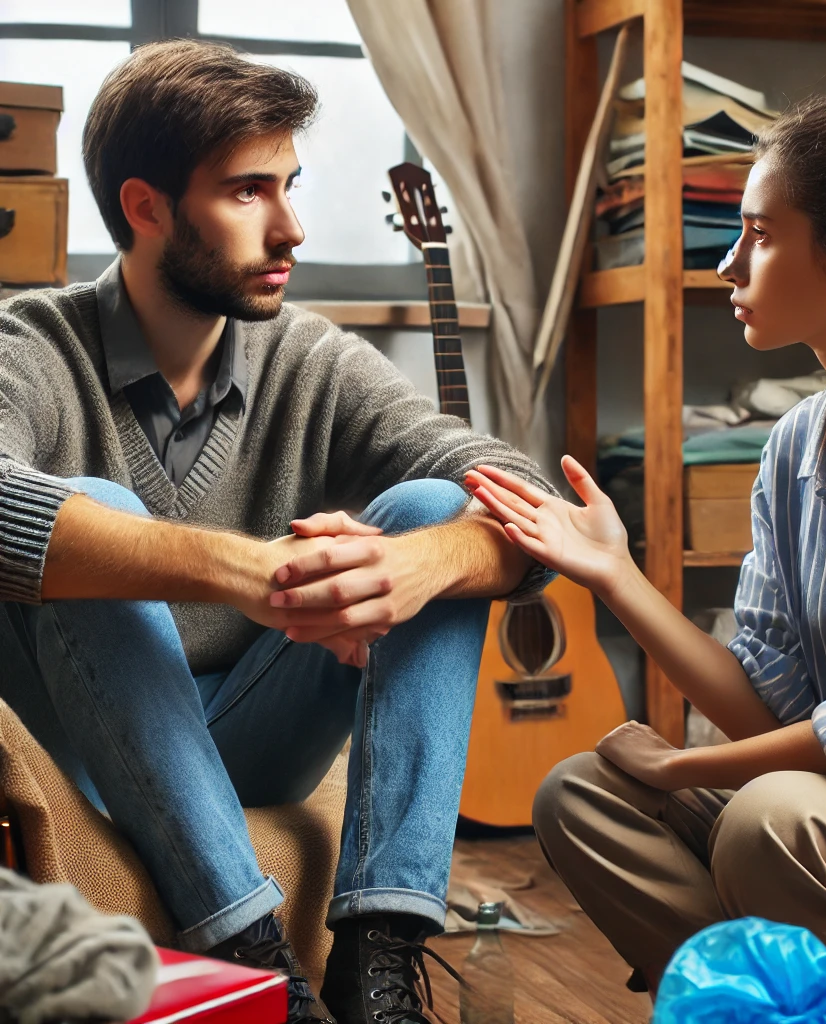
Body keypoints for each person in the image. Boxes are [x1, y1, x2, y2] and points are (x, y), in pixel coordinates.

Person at [0, 39, 555, 1024]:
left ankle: (378, 961)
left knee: (432, 512)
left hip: (253, 731)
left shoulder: (313, 361)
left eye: (289, 185)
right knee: (95, 510)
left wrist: (409, 566)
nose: (291, 226)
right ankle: (259, 965)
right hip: (80, 743)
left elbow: (516, 489)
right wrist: (252, 572)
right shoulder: (34, 345)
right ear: (147, 207)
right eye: (249, 191)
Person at [465, 94, 826, 1006]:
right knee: (581, 796)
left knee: (767, 823)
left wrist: (683, 767)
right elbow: (765, 708)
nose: (726, 262)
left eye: (759, 235)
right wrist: (615, 573)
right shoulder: (797, 443)